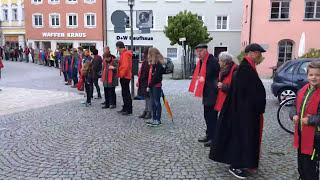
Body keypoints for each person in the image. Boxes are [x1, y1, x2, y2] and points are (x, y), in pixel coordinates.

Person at [210, 43, 266, 179]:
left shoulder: (247, 68)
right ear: (252, 53)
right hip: (243, 114)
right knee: (240, 139)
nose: (260, 56)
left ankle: (242, 162)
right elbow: (242, 95)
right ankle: (236, 165)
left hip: (247, 113)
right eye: (259, 53)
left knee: (245, 139)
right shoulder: (244, 69)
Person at [291, 61, 320, 180]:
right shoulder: (303, 90)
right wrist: (293, 115)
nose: (314, 77)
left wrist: (310, 121)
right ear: (307, 75)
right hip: (301, 134)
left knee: (311, 166)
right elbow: (293, 106)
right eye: (311, 75)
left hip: (315, 137)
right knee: (302, 164)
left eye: (318, 75)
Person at [188, 43, 220, 148]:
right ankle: (209, 134)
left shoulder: (213, 61)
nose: (199, 53)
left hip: (213, 92)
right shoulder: (202, 62)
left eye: (201, 51)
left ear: (206, 50)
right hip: (206, 92)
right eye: (197, 51)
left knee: (212, 116)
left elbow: (215, 75)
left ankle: (214, 138)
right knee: (207, 115)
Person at [145, 48, 165, 127]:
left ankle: (158, 119)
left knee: (157, 102)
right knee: (153, 103)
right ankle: (154, 118)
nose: (148, 55)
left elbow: (156, 77)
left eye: (149, 54)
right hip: (152, 85)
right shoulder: (153, 64)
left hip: (156, 86)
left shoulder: (158, 64)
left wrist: (149, 85)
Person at [116, 41, 133, 116]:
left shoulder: (125, 54)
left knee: (126, 93)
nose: (117, 49)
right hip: (125, 76)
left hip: (125, 76)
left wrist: (121, 75)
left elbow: (125, 66)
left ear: (119, 47)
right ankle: (125, 108)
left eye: (117, 47)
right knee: (125, 93)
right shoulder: (124, 54)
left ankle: (128, 109)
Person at [137, 47, 152, 119]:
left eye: (144, 53)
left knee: (148, 98)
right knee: (146, 97)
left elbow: (146, 73)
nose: (143, 54)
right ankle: (146, 110)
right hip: (143, 82)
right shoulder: (145, 61)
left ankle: (149, 112)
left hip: (146, 82)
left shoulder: (149, 62)